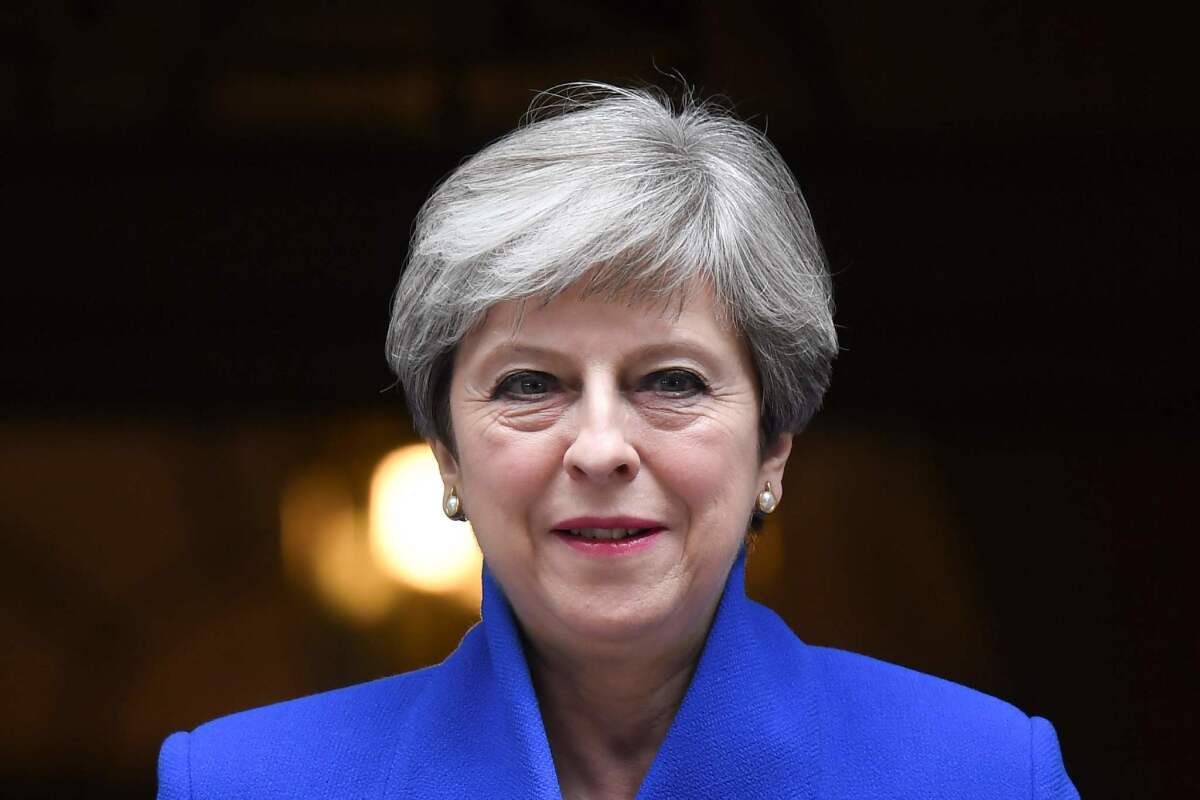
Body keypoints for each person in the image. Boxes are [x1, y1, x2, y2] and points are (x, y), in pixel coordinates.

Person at [156, 82, 1080, 799]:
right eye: (530, 385)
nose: (600, 448)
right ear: (446, 456)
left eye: (670, 382)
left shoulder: (985, 774)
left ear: (773, 448)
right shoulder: (243, 780)